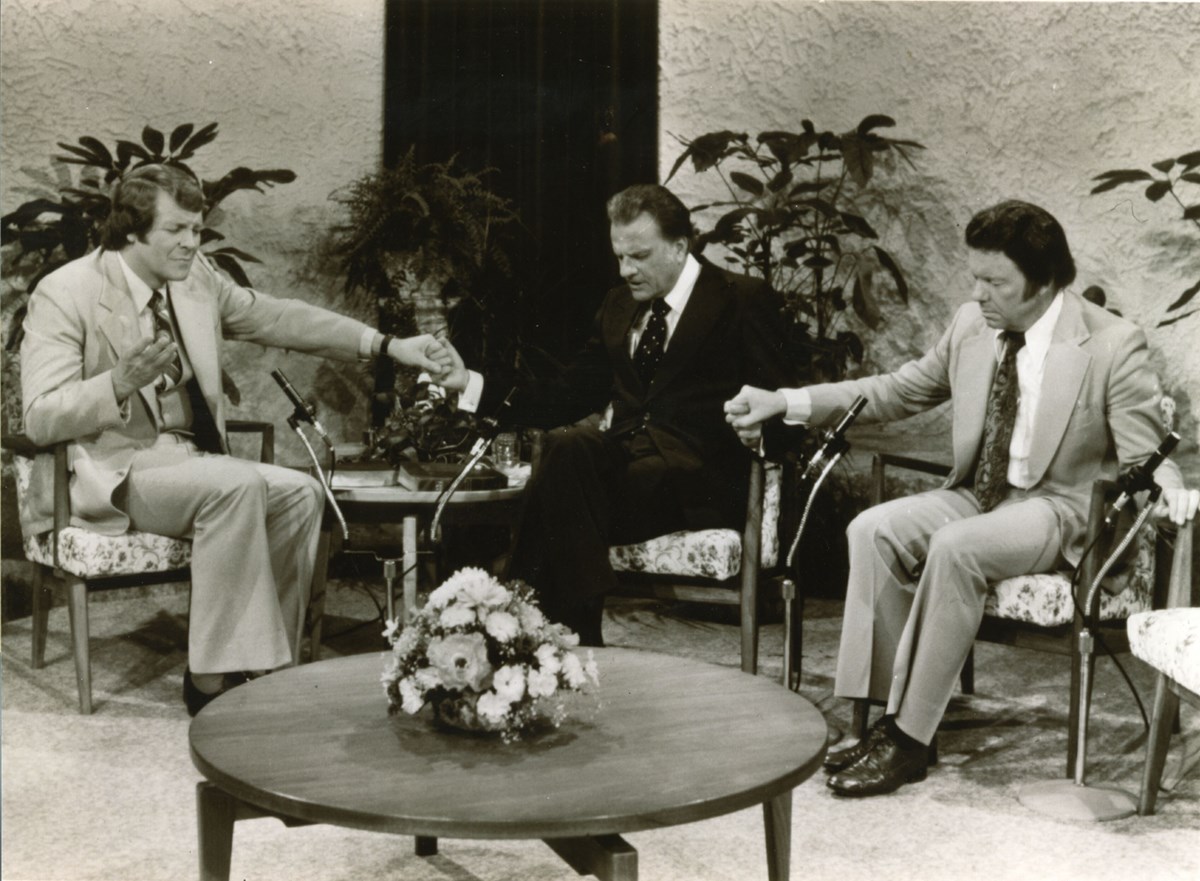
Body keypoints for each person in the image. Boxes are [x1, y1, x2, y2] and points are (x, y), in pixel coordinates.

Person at [724, 199, 1199, 797]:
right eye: (975, 276)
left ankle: (908, 739)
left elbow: (1147, 457)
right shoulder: (973, 327)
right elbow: (896, 390)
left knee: (956, 548)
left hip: (1062, 507)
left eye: (995, 281)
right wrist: (786, 401)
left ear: (1045, 280)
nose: (978, 293)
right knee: (871, 528)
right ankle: (881, 716)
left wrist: (1173, 493)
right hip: (983, 493)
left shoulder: (1110, 344)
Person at [19, 163, 456, 714]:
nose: (190, 243)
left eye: (196, 230)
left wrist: (388, 344)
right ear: (131, 229)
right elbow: (39, 417)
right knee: (236, 485)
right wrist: (118, 383)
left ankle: (264, 666)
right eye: (175, 230)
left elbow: (278, 318)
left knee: (299, 492)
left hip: (188, 461)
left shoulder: (194, 278)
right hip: (110, 468)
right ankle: (208, 681)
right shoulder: (66, 292)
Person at [440, 183, 798, 644]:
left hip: (699, 483)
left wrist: (760, 432)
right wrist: (469, 383)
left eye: (639, 256)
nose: (626, 270)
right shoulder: (618, 305)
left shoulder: (741, 299)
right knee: (567, 444)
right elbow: (566, 395)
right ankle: (577, 636)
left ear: (679, 246)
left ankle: (524, 607)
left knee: (560, 485)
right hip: (624, 478)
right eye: (619, 256)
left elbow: (786, 406)